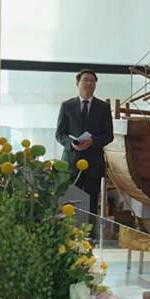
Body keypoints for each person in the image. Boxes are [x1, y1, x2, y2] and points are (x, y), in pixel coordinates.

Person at [54, 69, 114, 222]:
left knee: (92, 203)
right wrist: (71, 144)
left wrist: (92, 141)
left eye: (92, 81)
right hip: (72, 162)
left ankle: (91, 236)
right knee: (70, 202)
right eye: (85, 80)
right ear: (77, 83)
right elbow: (60, 134)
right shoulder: (67, 105)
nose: (89, 83)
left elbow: (108, 134)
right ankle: (69, 232)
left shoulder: (103, 107)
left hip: (93, 163)